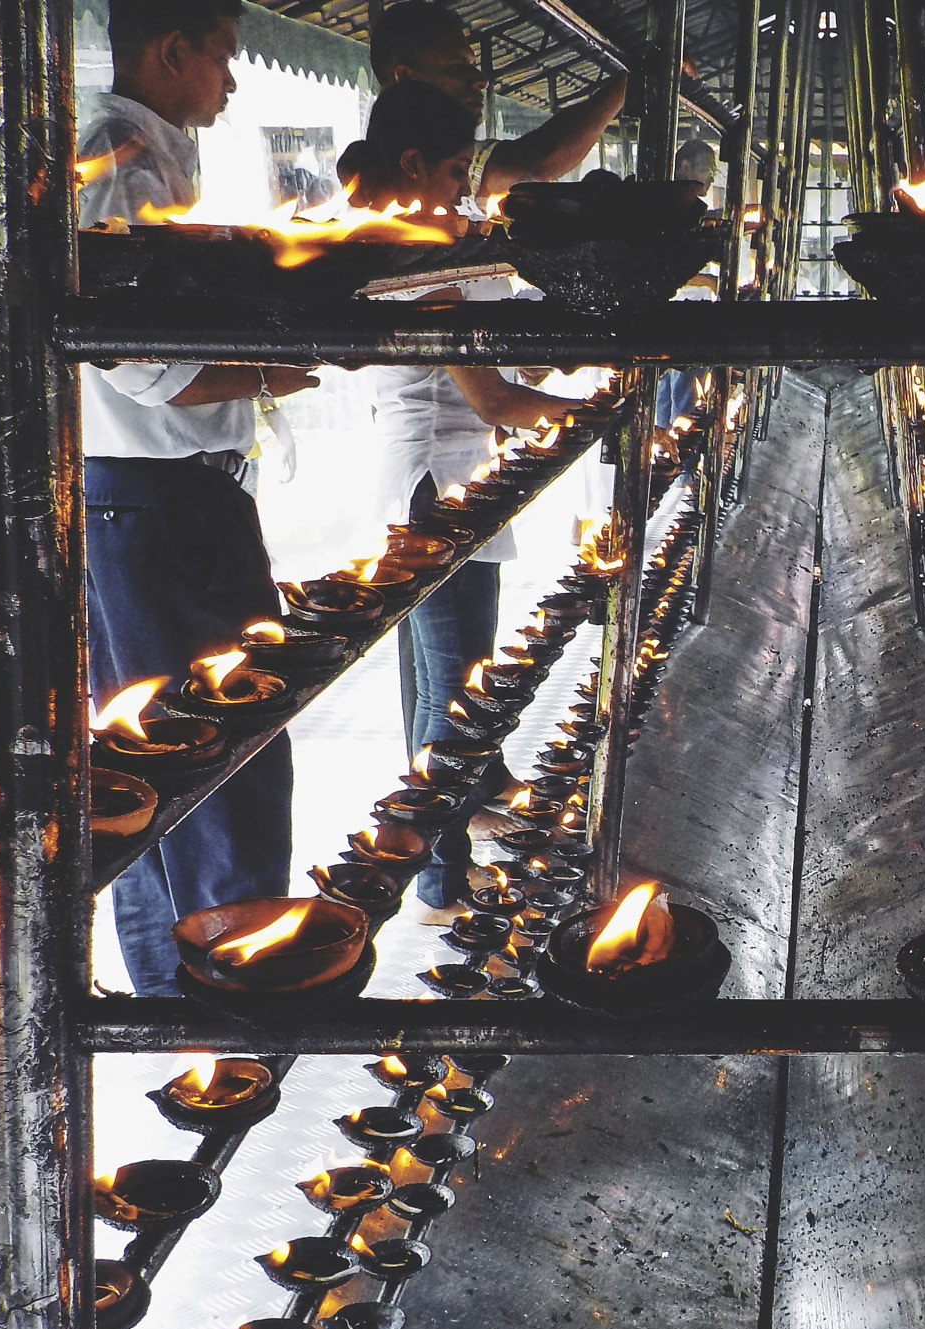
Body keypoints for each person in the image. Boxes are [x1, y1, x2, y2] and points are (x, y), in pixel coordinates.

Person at [78, 0, 317, 995]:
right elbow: (141, 361)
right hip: (153, 502)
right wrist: (278, 367)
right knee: (216, 754)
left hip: (162, 499)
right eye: (222, 55)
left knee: (156, 762)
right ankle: (225, 993)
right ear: (173, 50)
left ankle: (181, 990)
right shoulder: (121, 156)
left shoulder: (148, 155)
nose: (231, 80)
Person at [347, 82, 579, 917]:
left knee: (434, 692)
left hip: (442, 482)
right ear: (414, 164)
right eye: (454, 169)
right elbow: (490, 402)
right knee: (453, 698)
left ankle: (443, 870)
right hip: (434, 488)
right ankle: (441, 883)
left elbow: (502, 374)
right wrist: (592, 415)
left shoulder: (445, 245)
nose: (463, 186)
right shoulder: (416, 256)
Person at [369, 1, 626, 204]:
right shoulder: (375, 171)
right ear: (406, 77)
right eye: (458, 67)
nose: (482, 80)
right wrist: (634, 80)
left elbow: (535, 154)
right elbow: (537, 163)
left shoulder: (460, 155)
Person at [655, 138, 720, 430]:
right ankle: (680, 468)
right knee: (682, 403)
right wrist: (708, 280)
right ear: (685, 167)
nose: (711, 177)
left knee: (669, 394)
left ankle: (668, 459)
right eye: (707, 169)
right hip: (680, 315)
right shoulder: (669, 209)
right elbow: (662, 268)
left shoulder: (690, 209)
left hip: (679, 312)